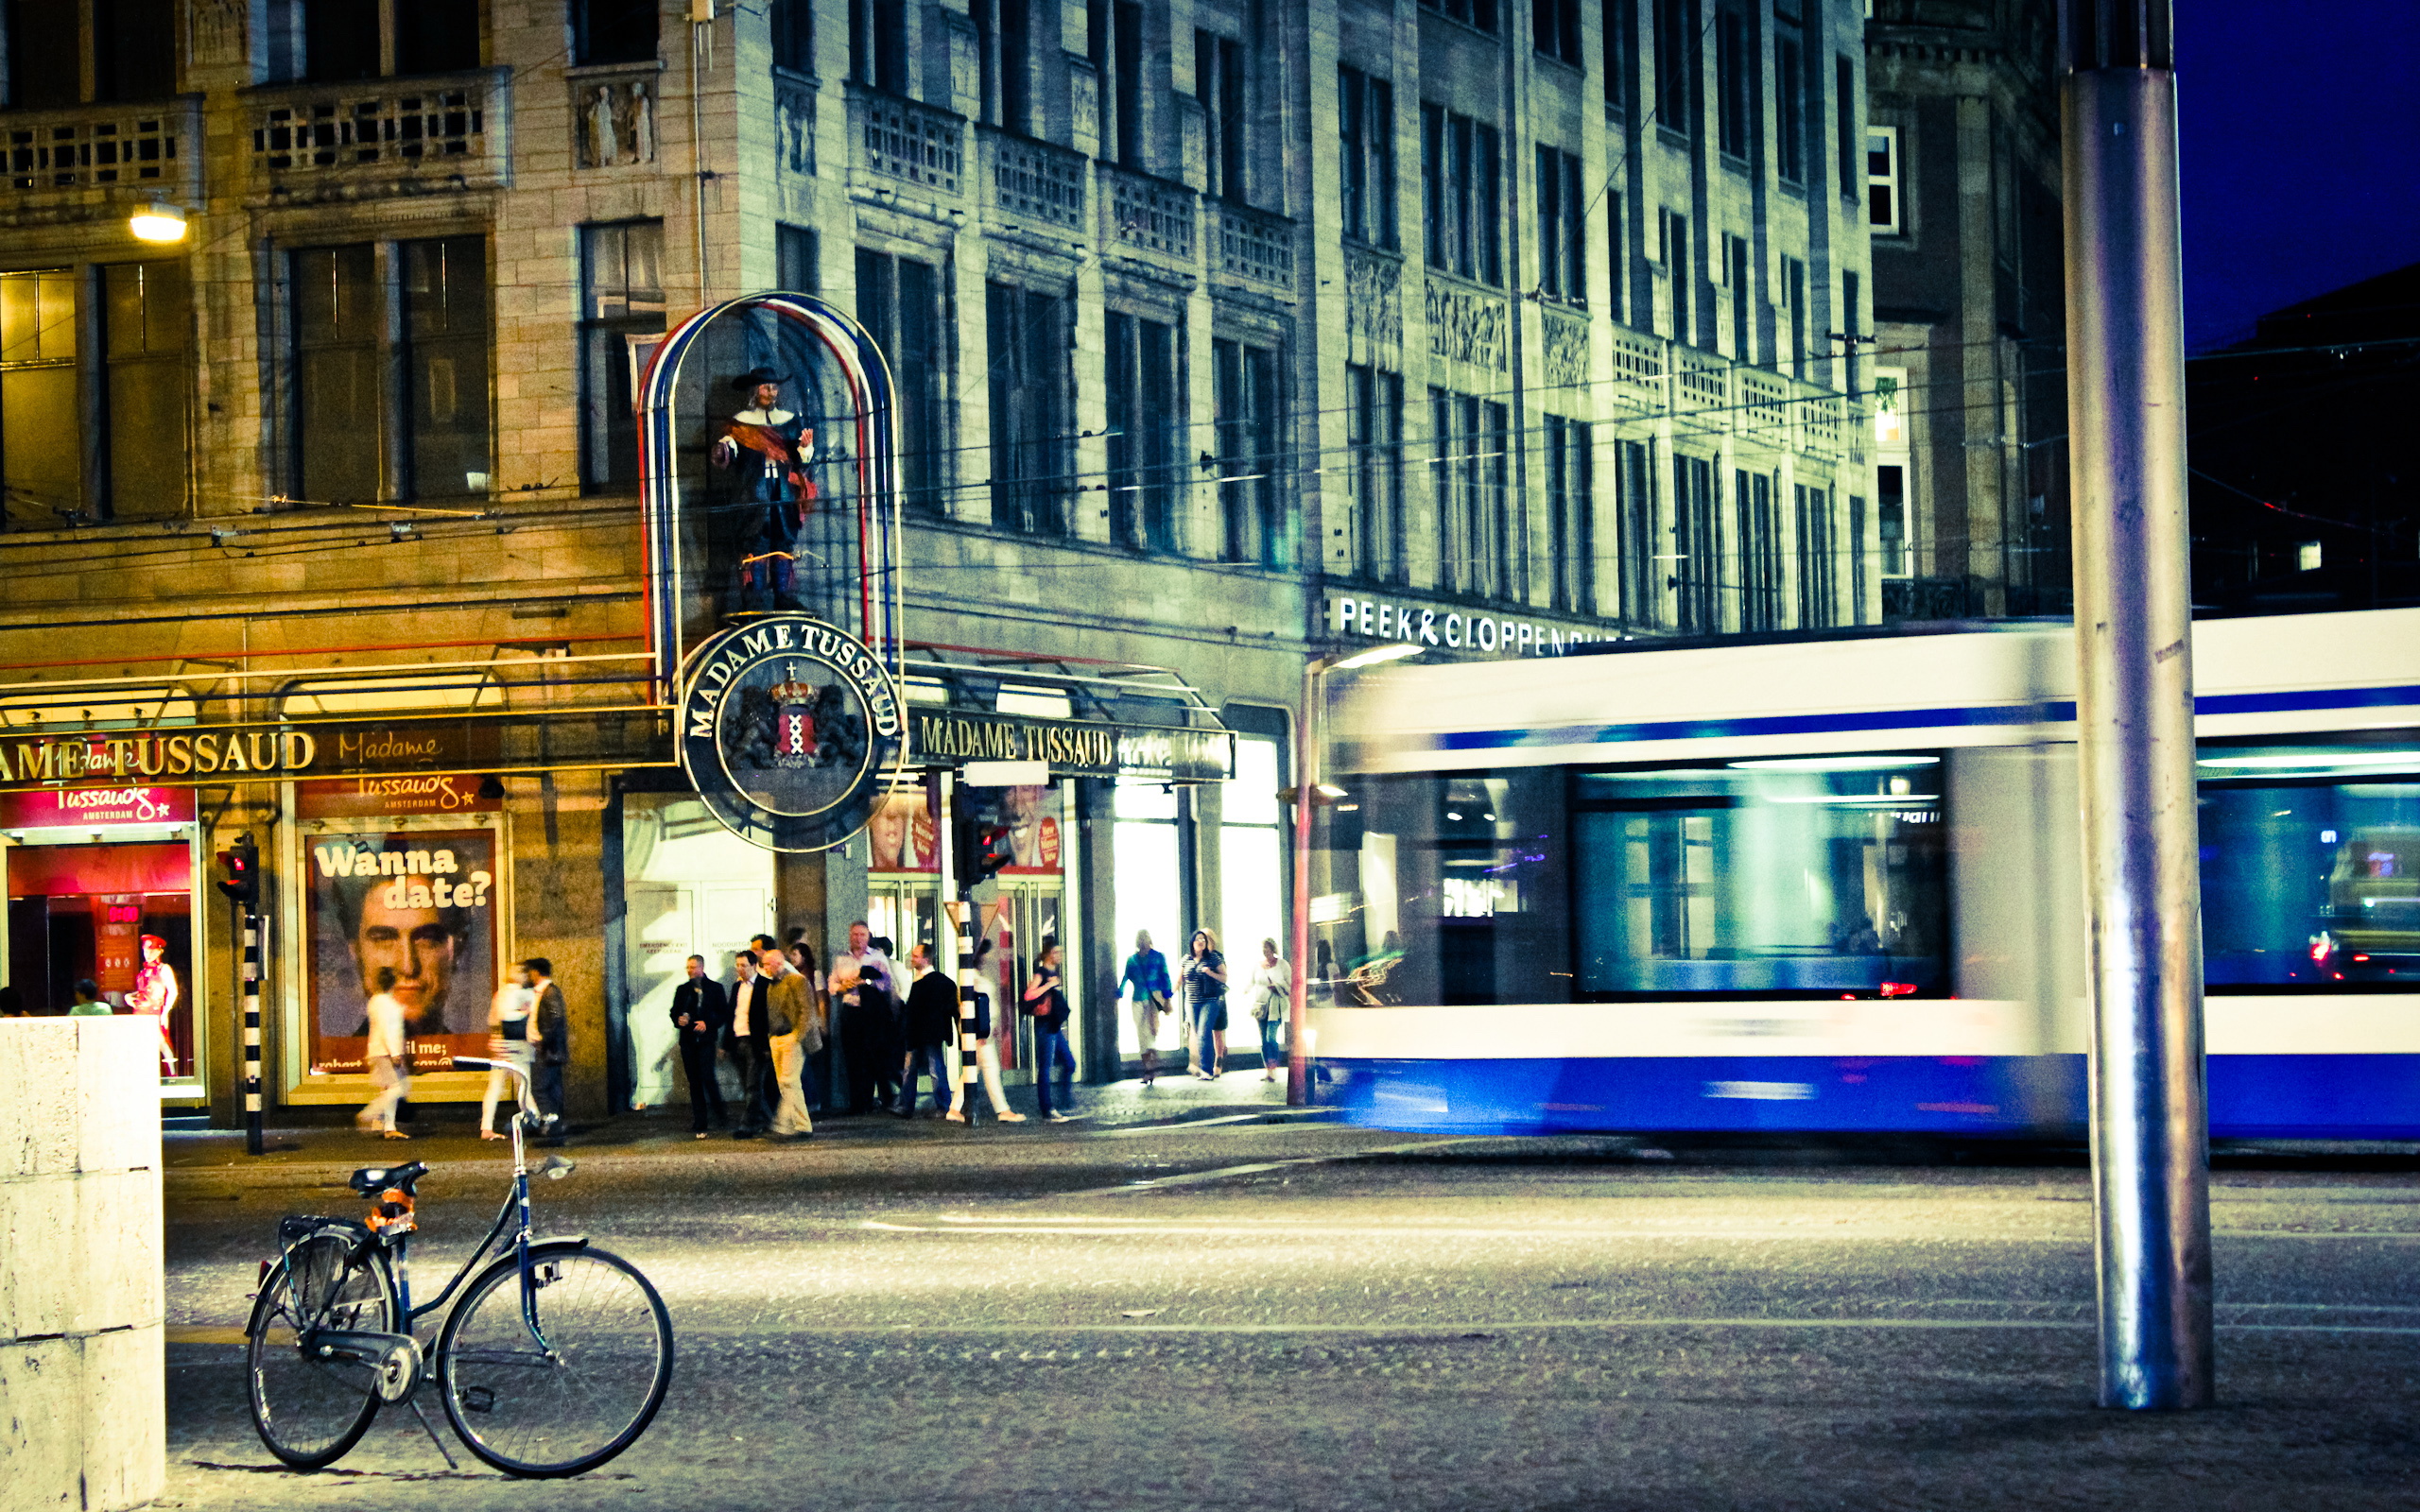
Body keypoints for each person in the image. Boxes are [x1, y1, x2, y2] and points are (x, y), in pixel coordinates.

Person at [710, 366, 816, 611]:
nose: (772, 392)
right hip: (753, 493)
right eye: (766, 387)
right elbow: (729, 450)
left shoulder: (790, 422)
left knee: (784, 543)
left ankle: (784, 597)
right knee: (754, 544)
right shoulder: (740, 425)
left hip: (784, 494)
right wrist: (724, 449)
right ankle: (753, 600)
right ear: (754, 391)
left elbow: (802, 462)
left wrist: (804, 448)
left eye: (775, 387)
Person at [946, 938, 1023, 1123]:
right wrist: (982, 1030)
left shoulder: (973, 975)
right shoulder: (971, 977)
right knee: (990, 1068)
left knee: (971, 1070)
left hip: (980, 1029)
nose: (989, 957)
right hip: (978, 1031)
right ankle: (1002, 1109)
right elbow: (971, 1006)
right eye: (987, 953)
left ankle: (954, 1109)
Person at [830, 920, 890, 1115]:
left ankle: (869, 1100)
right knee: (852, 1057)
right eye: (855, 934)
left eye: (862, 935)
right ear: (850, 936)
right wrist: (843, 986)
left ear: (869, 936)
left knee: (870, 1056)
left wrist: (866, 981)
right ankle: (856, 1102)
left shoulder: (878, 957)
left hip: (871, 1012)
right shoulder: (841, 960)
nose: (858, 938)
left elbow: (887, 983)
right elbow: (832, 985)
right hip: (850, 1011)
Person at [670, 954, 730, 1139]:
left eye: (694, 967)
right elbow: (674, 1012)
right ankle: (700, 1121)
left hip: (706, 1041)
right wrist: (678, 1020)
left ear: (702, 967)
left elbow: (723, 1014)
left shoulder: (715, 988)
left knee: (707, 1077)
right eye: (688, 967)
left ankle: (721, 1115)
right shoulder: (683, 990)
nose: (690, 971)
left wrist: (708, 1023)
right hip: (688, 1041)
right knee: (694, 1082)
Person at [761, 947, 817, 1141]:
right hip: (778, 1038)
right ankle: (791, 1124)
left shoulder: (797, 981)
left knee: (789, 1081)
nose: (765, 967)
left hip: (791, 1037)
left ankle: (801, 1125)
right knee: (786, 1083)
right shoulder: (773, 984)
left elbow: (807, 1011)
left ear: (778, 962)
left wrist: (796, 1036)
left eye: (767, 964)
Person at [898, 944, 957, 1117]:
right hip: (932, 1033)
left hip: (919, 1033)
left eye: (916, 956)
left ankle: (906, 1105)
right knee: (935, 1068)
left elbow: (913, 1011)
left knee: (913, 1069)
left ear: (925, 959)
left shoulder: (920, 983)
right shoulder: (944, 982)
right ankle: (943, 1105)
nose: (912, 958)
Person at [1022, 936, 1076, 1123]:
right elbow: (1028, 995)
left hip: (1054, 1026)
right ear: (1048, 954)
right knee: (1045, 1068)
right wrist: (1049, 985)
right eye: (1056, 952)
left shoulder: (1053, 971)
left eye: (1061, 952)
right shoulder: (1041, 973)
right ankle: (1047, 1109)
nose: (1059, 955)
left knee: (1070, 1063)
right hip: (1045, 1025)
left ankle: (1064, 1101)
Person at [479, 973, 538, 1141]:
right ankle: (535, 1118)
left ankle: (486, 1126)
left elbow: (493, 1019)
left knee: (495, 1088)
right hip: (516, 1047)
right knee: (524, 1085)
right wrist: (524, 1012)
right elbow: (508, 1017)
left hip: (499, 1045)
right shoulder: (520, 993)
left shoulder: (500, 994)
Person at [724, 948, 774, 1138]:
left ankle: (747, 1126)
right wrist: (726, 1043)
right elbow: (732, 1014)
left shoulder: (764, 985)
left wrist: (766, 1046)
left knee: (753, 1086)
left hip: (755, 1042)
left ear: (754, 966)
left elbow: (767, 1017)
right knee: (749, 1086)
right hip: (739, 1039)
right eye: (737, 965)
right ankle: (769, 1120)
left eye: (744, 965)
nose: (740, 969)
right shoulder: (738, 986)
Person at [357, 967, 412, 1139]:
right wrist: (395, 1053)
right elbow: (387, 1030)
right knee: (398, 1087)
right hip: (384, 1052)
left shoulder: (377, 1001)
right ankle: (369, 1113)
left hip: (380, 1050)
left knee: (388, 1089)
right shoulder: (385, 1003)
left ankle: (388, 1127)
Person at [1118, 930, 1173, 1088]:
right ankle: (1148, 1068)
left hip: (1153, 999)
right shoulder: (1132, 960)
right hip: (1138, 999)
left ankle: (1150, 1069)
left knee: (1151, 1031)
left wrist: (1167, 997)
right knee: (1141, 1034)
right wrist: (1120, 991)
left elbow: (1165, 976)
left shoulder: (1158, 957)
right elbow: (1126, 977)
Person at [526, 958, 569, 1139]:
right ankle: (556, 1125)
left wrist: (544, 1040)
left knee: (540, 1088)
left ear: (536, 972)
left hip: (548, 1049)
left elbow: (557, 1018)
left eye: (530, 972)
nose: (528, 975)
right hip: (549, 1048)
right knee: (551, 1089)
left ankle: (552, 1124)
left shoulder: (549, 992)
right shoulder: (543, 992)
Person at [126, 934, 180, 1074]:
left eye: (152, 951)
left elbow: (173, 992)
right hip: (140, 1013)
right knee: (142, 1045)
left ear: (159, 951)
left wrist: (165, 1012)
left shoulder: (164, 969)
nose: (148, 954)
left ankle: (172, 1075)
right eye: (146, 951)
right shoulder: (143, 972)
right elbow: (140, 992)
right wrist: (129, 997)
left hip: (155, 1013)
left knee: (162, 1043)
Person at [1180, 928, 1229, 1079]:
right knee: (1200, 1033)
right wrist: (1168, 995)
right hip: (1193, 1001)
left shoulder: (1215, 957)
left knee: (1212, 1032)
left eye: (1205, 939)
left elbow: (1224, 977)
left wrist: (1209, 972)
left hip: (1213, 1000)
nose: (1202, 942)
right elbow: (1179, 979)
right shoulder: (1187, 959)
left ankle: (1214, 1065)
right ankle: (1199, 1065)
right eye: (1199, 939)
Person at [1249, 937, 1291, 1083]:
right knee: (1263, 1040)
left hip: (1276, 1006)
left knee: (1270, 1037)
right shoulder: (1257, 966)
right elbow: (1251, 982)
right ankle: (1268, 1069)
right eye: (1263, 949)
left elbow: (1290, 986)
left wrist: (1278, 987)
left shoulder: (1282, 965)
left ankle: (1273, 1068)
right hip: (1261, 1006)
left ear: (1273, 949)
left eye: (1267, 948)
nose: (1265, 951)